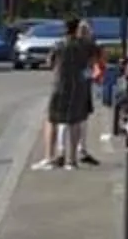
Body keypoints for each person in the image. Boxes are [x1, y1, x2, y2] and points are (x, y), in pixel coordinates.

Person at [38, 19, 103, 170]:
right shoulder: (85, 45)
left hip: (60, 85)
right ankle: (72, 160)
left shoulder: (59, 44)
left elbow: (50, 62)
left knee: (51, 120)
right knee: (75, 122)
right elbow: (96, 56)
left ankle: (49, 158)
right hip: (78, 86)